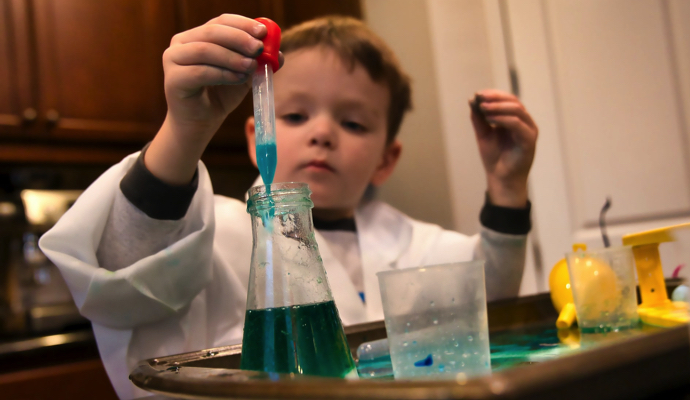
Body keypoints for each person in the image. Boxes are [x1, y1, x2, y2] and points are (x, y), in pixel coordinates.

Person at [39, 15, 538, 399]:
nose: (322, 133)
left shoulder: (420, 243)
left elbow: (484, 310)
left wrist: (507, 187)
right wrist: (185, 130)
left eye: (355, 124)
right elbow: (122, 280)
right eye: (296, 114)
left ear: (387, 160)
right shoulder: (214, 232)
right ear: (259, 135)